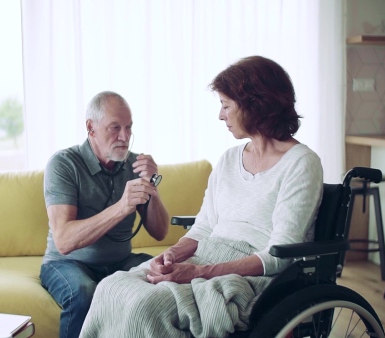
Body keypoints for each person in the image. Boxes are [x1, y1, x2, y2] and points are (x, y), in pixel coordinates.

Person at [78, 56, 324, 338]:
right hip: (205, 256)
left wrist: (199, 273)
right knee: (110, 288)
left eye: (226, 105)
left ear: (254, 105)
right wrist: (172, 255)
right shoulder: (230, 159)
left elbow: (278, 256)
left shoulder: (301, 163)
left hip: (251, 274)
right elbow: (204, 228)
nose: (221, 115)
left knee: (145, 306)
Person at [40, 91, 170, 338]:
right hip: (67, 263)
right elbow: (64, 241)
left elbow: (160, 232)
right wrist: (122, 206)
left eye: (129, 128)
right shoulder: (64, 164)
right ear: (91, 128)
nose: (125, 137)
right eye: (115, 128)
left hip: (119, 261)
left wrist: (152, 186)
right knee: (84, 293)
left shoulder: (135, 165)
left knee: (164, 276)